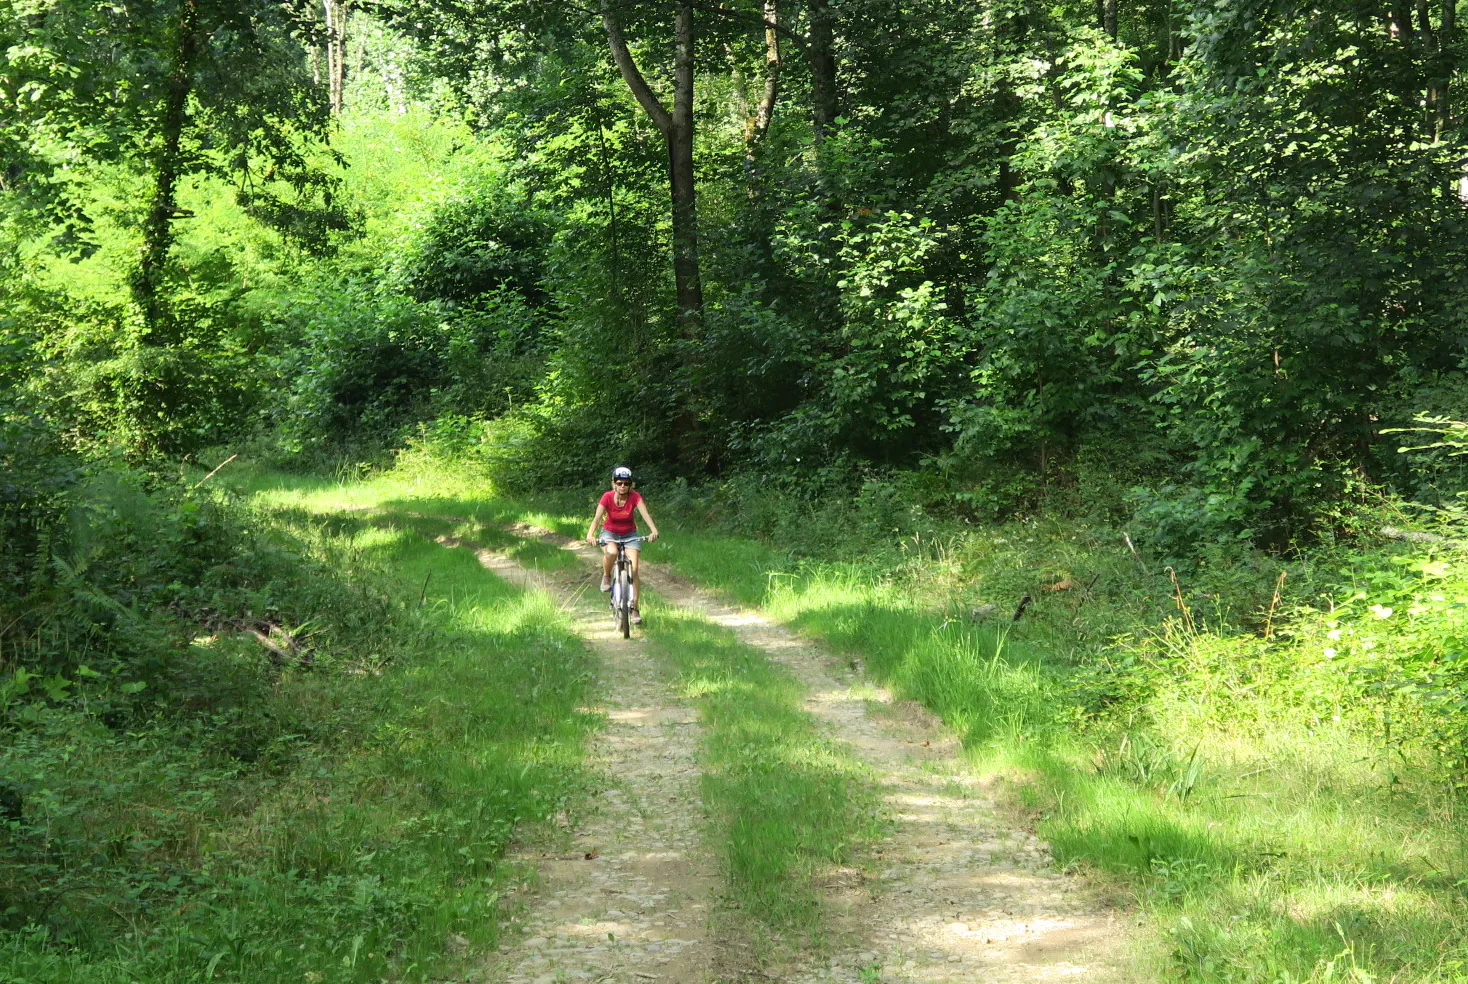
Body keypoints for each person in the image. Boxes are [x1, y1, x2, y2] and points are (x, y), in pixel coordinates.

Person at [586, 466, 660, 624]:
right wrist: (590, 535)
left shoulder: (635, 497)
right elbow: (597, 518)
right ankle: (606, 576)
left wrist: (654, 530)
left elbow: (645, 514)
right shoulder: (607, 497)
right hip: (609, 533)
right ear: (613, 483)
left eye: (626, 483)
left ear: (630, 485)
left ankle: (634, 609)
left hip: (630, 534)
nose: (623, 486)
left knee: (633, 568)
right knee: (611, 552)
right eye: (619, 483)